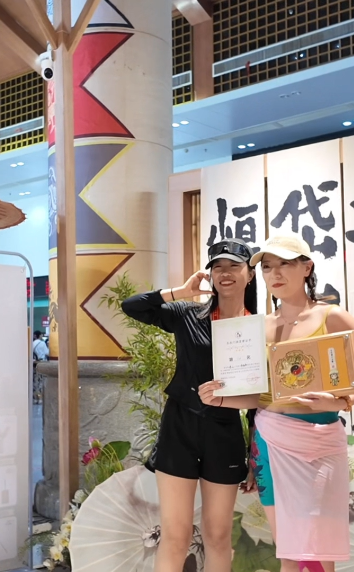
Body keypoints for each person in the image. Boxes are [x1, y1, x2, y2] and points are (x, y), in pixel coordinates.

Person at [199, 233, 354, 572]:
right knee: (288, 549)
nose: (275, 273)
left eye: (285, 264)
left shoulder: (332, 317)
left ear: (307, 268)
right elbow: (262, 397)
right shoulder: (260, 327)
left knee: (317, 550)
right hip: (270, 442)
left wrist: (341, 401)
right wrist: (221, 398)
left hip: (319, 442)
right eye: (267, 267)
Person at [122, 238, 258, 572]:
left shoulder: (258, 327)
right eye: (217, 267)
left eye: (234, 266)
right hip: (179, 428)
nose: (225, 273)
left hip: (225, 432)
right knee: (175, 535)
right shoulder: (188, 314)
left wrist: (254, 455)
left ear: (250, 274)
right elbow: (132, 306)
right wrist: (179, 292)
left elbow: (260, 400)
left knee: (218, 535)